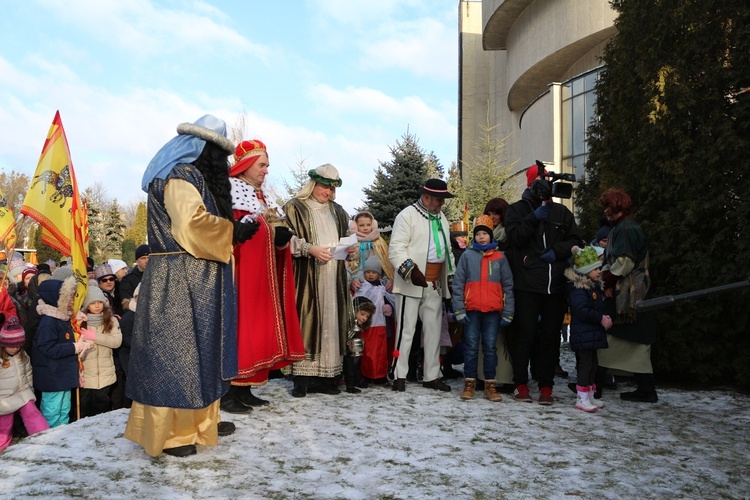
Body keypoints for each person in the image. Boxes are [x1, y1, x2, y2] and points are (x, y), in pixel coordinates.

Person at [125, 114, 253, 457]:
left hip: (195, 277)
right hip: (178, 279)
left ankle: (199, 424)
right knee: (176, 355)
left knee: (199, 353)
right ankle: (172, 435)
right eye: (219, 153)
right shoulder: (181, 176)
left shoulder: (190, 176)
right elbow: (190, 225)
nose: (221, 161)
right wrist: (232, 232)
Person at [224, 139, 304, 410]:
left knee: (258, 327)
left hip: (264, 276)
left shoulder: (262, 196)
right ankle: (229, 392)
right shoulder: (231, 192)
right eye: (261, 165)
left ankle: (247, 388)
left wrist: (281, 237)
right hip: (243, 274)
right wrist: (269, 234)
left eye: (267, 165)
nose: (266, 170)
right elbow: (235, 235)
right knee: (241, 326)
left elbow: (268, 229)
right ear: (245, 166)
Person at [504, 164, 581, 404]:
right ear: (530, 183)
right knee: (524, 336)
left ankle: (546, 386)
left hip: (555, 286)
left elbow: (575, 240)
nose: (543, 185)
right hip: (527, 285)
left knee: (550, 339)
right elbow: (514, 238)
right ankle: (521, 384)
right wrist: (532, 219)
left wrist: (557, 252)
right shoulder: (517, 210)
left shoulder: (562, 213)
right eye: (539, 180)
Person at [283, 164, 355, 398]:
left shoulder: (339, 212)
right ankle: (301, 379)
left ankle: (326, 378)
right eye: (325, 186)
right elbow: (284, 238)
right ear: (313, 184)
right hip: (307, 274)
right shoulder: (295, 207)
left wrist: (350, 250)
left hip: (334, 275)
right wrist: (308, 248)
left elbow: (345, 239)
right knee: (308, 319)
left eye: (332, 188)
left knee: (331, 322)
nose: (328, 192)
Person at [388, 178, 456, 393]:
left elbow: (447, 250)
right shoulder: (407, 215)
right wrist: (411, 271)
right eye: (439, 199)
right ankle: (399, 374)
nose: (442, 203)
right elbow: (396, 248)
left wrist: (450, 276)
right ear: (426, 197)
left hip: (434, 283)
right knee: (406, 331)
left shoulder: (442, 218)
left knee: (434, 331)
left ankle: (432, 375)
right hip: (411, 282)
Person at [597, 188, 656, 403]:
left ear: (619, 207)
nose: (605, 211)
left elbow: (624, 263)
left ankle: (596, 384)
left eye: (608, 206)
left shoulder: (627, 228)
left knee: (614, 335)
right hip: (628, 292)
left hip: (632, 294)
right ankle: (598, 383)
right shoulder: (621, 227)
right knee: (618, 337)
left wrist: (606, 281)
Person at [452, 215, 515, 402]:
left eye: (484, 234)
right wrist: (459, 309)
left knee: (490, 347)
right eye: (478, 234)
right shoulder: (467, 256)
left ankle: (490, 385)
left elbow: (508, 286)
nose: (481, 237)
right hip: (471, 310)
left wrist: (508, 312)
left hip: (493, 312)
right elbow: (458, 284)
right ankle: (469, 383)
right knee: (471, 347)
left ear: (490, 236)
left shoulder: (500, 258)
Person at [32, 277, 92, 427]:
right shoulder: (49, 322)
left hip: (62, 376)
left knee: (64, 409)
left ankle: (61, 437)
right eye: (69, 298)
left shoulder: (61, 318)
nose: (72, 301)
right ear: (57, 299)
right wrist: (73, 347)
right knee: (52, 411)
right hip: (52, 377)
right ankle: (48, 440)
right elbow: (47, 348)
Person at [565, 246, 611, 412]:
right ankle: (582, 397)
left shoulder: (593, 287)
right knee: (585, 365)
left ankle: (590, 394)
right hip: (584, 333)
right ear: (586, 270)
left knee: (593, 364)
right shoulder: (579, 288)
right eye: (596, 268)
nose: (599, 271)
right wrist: (600, 318)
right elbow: (581, 310)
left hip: (591, 333)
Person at [0, 316, 49, 452]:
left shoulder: (23, 355)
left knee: (33, 414)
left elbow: (28, 372)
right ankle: (2, 448)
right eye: (12, 346)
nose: (15, 348)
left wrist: (29, 388)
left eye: (18, 345)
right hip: (4, 397)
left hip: (22, 392)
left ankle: (45, 438)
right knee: (4, 426)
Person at [78, 286, 122, 417]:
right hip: (86, 374)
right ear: (87, 305)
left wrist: (95, 337)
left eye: (99, 302)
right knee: (85, 408)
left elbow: (116, 341)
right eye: (92, 303)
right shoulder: (80, 322)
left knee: (102, 408)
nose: (97, 306)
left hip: (105, 374)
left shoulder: (111, 320)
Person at [353, 256, 395, 385]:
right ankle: (367, 374)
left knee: (380, 351)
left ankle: (380, 375)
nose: (370, 275)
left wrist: (390, 308)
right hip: (367, 324)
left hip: (381, 323)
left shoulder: (382, 287)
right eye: (368, 272)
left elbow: (389, 300)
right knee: (367, 351)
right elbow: (356, 301)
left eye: (374, 272)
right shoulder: (363, 287)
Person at [348, 211, 394, 291]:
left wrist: (387, 279)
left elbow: (386, 263)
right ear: (355, 226)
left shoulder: (379, 242)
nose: (365, 228)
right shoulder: (352, 243)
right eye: (361, 225)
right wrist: (352, 279)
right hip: (358, 284)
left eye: (368, 225)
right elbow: (347, 264)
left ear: (373, 225)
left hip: (379, 284)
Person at [343, 297, 376, 394]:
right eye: (362, 314)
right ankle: (351, 383)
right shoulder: (348, 324)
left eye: (367, 316)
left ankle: (355, 380)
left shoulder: (357, 327)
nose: (364, 318)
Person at [120, 244, 149, 312]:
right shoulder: (128, 280)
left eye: (149, 257)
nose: (147, 261)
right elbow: (126, 302)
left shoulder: (160, 277)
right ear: (137, 260)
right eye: (143, 258)